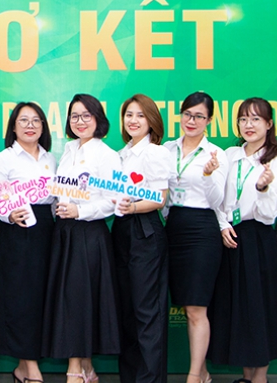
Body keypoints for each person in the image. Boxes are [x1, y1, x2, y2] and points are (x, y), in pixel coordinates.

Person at [208, 97, 277, 383]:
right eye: (243, 119)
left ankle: (260, 377)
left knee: (259, 306)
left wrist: (263, 188)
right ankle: (246, 376)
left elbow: (271, 213)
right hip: (229, 237)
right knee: (237, 308)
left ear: (269, 124)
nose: (249, 125)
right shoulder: (230, 155)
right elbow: (218, 197)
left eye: (256, 119)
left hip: (257, 238)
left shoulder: (275, 159)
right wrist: (222, 225)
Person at [42, 94, 121, 383]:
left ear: (98, 119)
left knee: (77, 301)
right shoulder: (68, 151)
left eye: (87, 115)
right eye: (75, 116)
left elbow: (114, 200)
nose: (80, 121)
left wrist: (81, 211)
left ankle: (74, 370)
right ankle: (87, 367)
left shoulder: (107, 155)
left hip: (89, 234)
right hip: (64, 233)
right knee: (71, 300)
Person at [0, 103, 56, 383]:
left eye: (36, 120)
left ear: (43, 127)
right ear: (13, 127)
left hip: (48, 231)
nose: (30, 125)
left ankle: (23, 368)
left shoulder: (51, 159)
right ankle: (30, 367)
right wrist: (9, 214)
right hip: (18, 230)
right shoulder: (4, 159)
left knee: (42, 300)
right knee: (20, 300)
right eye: (23, 120)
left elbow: (55, 198)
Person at [162, 92, 227, 383]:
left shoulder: (216, 154)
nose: (192, 121)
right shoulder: (166, 149)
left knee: (196, 308)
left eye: (199, 116)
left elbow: (217, 200)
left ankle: (193, 375)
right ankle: (203, 373)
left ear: (209, 120)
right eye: (187, 114)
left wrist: (209, 175)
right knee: (178, 303)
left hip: (201, 230)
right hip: (171, 227)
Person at [112, 94, 173, 383]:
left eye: (140, 115)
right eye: (129, 115)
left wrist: (133, 207)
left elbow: (160, 199)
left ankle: (149, 379)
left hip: (145, 229)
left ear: (152, 121)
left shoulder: (155, 153)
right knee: (126, 310)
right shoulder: (121, 154)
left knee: (147, 311)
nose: (133, 120)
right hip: (122, 229)